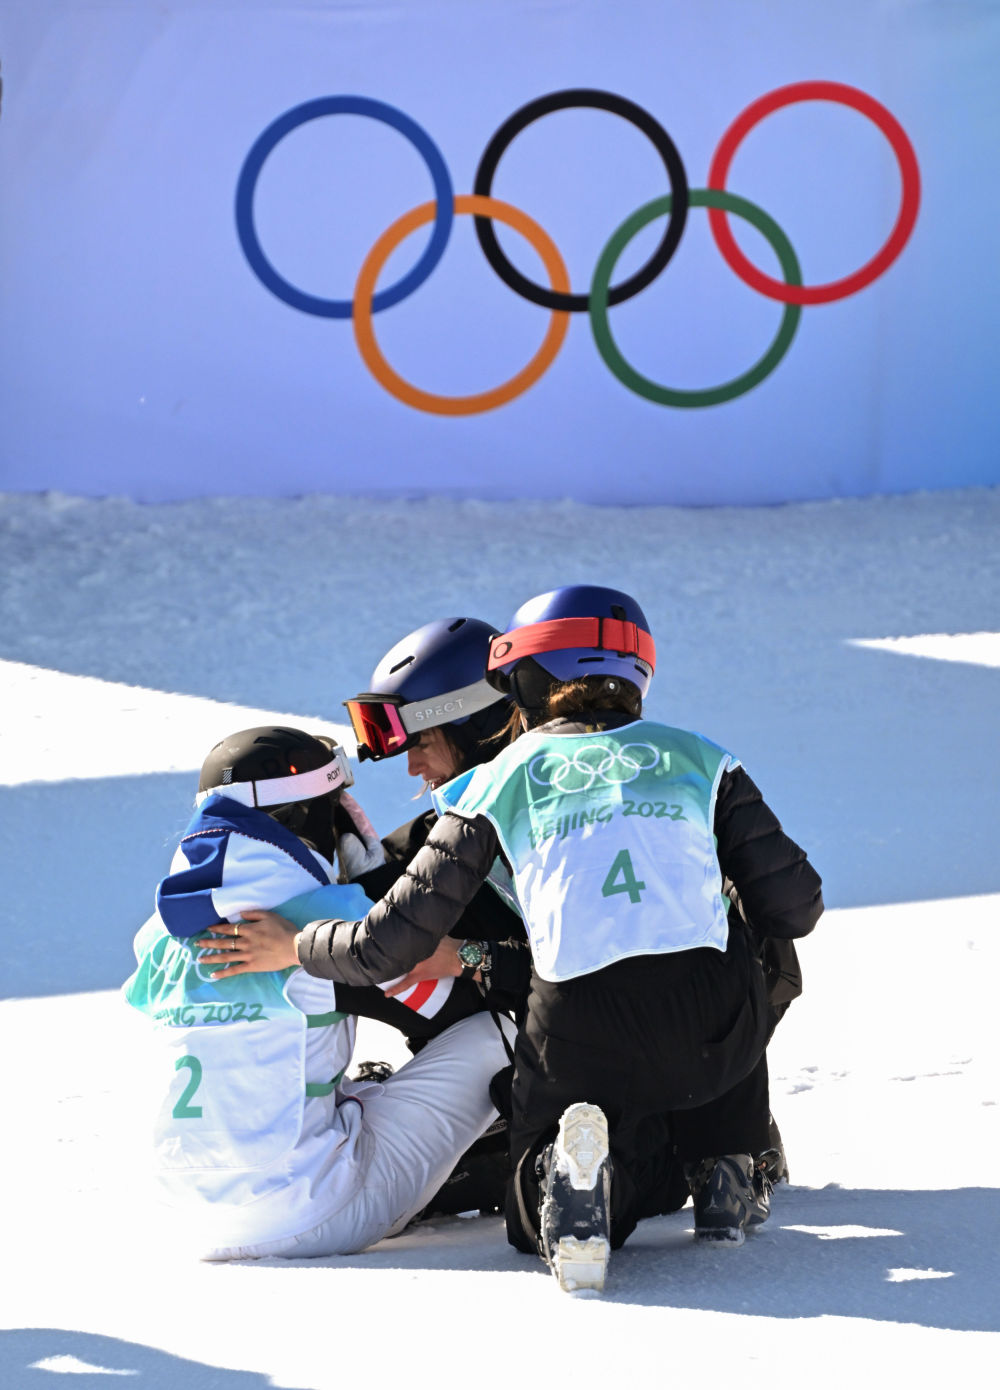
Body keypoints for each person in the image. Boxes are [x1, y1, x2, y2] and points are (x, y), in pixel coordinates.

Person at [203, 586, 823, 1293]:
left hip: (580, 1044)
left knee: (729, 921)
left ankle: (675, 1152)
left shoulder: (488, 794)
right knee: (715, 956)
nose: (410, 769)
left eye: (422, 743)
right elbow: (794, 902)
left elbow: (393, 947)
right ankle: (715, 1149)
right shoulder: (682, 761)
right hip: (625, 1048)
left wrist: (466, 958)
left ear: (482, 722)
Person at [122, 724, 512, 1260]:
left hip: (180, 1218)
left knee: (327, 1083)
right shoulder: (326, 917)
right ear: (307, 820)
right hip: (311, 1210)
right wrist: (371, 890)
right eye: (336, 809)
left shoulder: (159, 936)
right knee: (502, 1030)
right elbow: (450, 1008)